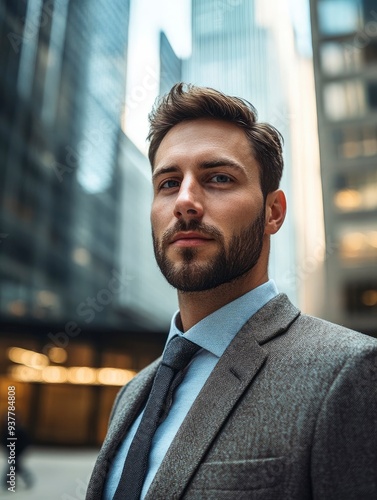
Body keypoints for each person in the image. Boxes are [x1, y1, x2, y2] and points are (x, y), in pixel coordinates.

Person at [86, 83, 377, 500]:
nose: (185, 201)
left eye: (219, 178)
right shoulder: (134, 393)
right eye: (168, 183)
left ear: (272, 213)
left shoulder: (348, 371)